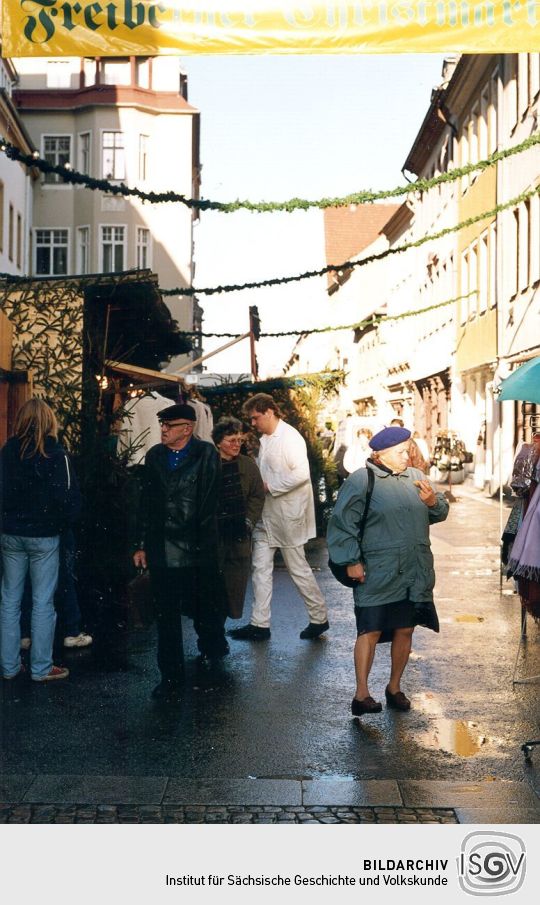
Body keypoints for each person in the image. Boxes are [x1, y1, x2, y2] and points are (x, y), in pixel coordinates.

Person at [327, 425, 449, 716]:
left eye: (407, 449)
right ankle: (361, 695)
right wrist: (350, 561)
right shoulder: (361, 481)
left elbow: (438, 512)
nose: (407, 455)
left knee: (405, 628)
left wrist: (433, 502)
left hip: (413, 570)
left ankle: (394, 687)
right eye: (400, 452)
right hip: (377, 571)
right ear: (380, 454)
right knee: (370, 628)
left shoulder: (417, 477)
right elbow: (342, 525)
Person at [133, 403, 228, 701]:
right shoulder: (155, 456)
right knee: (167, 617)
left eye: (169, 425)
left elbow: (207, 505)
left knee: (205, 611)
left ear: (187, 428)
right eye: (162, 424)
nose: (162, 429)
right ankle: (170, 677)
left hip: (197, 549)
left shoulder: (206, 454)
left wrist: (193, 545)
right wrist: (141, 544)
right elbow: (145, 503)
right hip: (162, 549)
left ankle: (212, 660)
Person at [229, 393, 329, 641]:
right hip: (268, 515)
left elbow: (302, 474)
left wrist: (269, 486)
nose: (253, 423)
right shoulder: (267, 439)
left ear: (269, 412)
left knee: (298, 568)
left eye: (255, 418)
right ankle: (259, 624)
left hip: (287, 516)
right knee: (260, 568)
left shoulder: (290, 437)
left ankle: (319, 618)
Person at [0, 398, 80, 682]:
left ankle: (8, 667)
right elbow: (69, 501)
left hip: (10, 535)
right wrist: (59, 526)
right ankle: (41, 668)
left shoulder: (7, 452)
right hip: (45, 538)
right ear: (49, 422)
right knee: (43, 602)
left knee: (9, 600)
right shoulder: (58, 455)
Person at [212, 417, 265, 619]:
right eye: (231, 440)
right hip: (214, 534)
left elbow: (257, 496)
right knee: (211, 586)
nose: (237, 445)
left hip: (239, 534)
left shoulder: (248, 465)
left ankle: (224, 623)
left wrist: (249, 521)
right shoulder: (208, 463)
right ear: (218, 442)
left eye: (239, 440)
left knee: (234, 587)